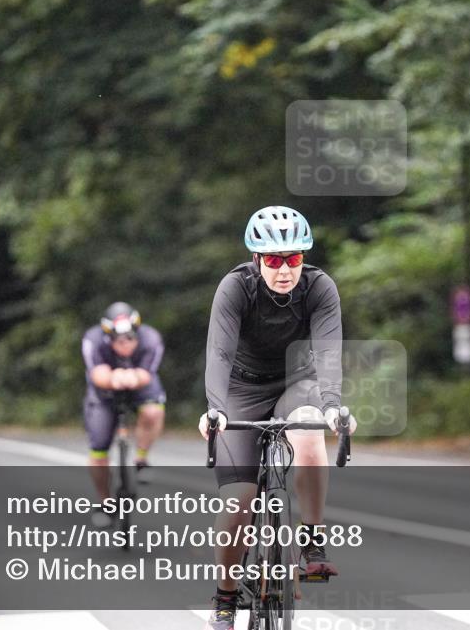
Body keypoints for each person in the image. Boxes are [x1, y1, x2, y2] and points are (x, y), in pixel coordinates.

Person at [197, 205, 357, 630]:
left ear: (303, 258)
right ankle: (225, 597)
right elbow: (218, 352)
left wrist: (333, 406)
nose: (284, 269)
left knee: (308, 434)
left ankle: (312, 541)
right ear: (257, 259)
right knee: (239, 501)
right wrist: (215, 408)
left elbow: (327, 352)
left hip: (295, 383)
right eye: (273, 259)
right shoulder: (235, 288)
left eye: (293, 259)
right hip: (240, 389)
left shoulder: (319, 288)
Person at [81, 302, 166, 524]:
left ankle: (141, 458)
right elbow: (98, 374)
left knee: (153, 411)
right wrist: (112, 379)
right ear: (108, 337)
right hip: (104, 390)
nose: (125, 345)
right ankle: (104, 502)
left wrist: (134, 377)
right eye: (119, 340)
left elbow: (147, 373)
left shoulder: (151, 339)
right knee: (98, 447)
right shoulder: (93, 340)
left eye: (130, 338)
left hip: (140, 383)